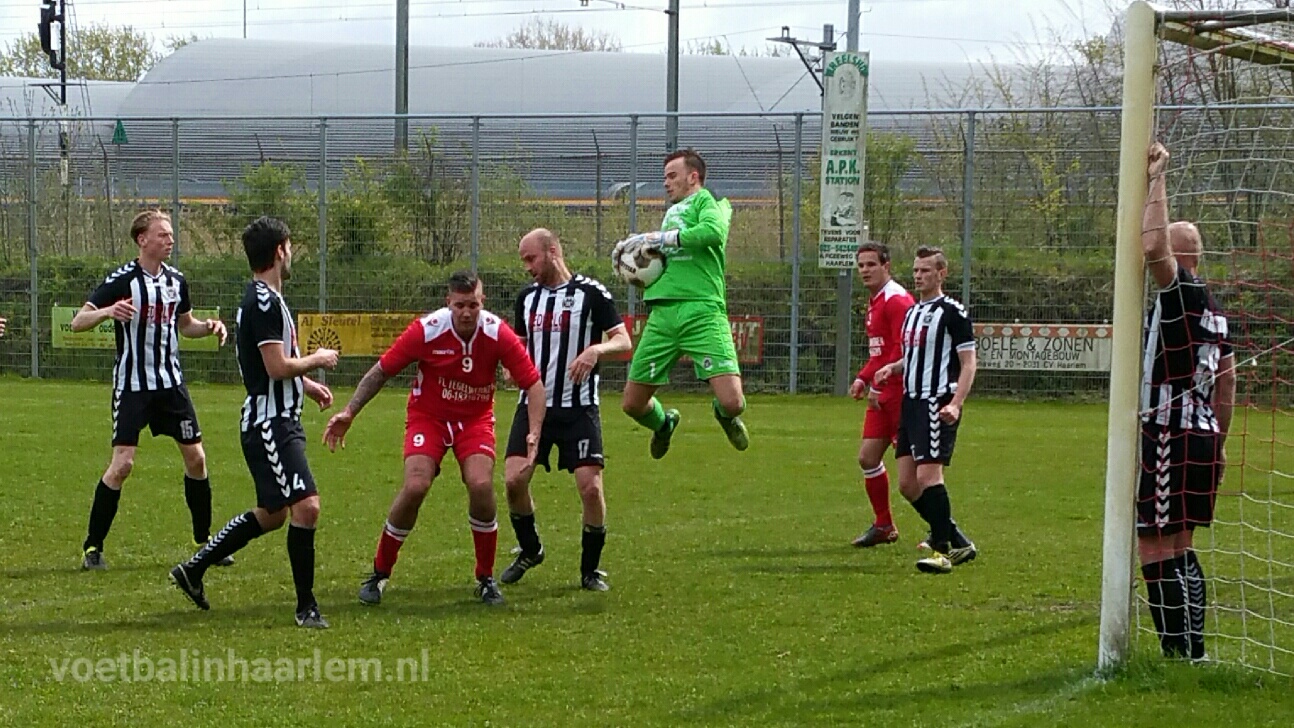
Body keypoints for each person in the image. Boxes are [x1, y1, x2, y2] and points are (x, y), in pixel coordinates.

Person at [323, 271, 545, 607]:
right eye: (460, 306)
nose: (467, 312)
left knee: (481, 485)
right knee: (415, 485)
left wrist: (534, 432)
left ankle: (485, 577)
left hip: (475, 420)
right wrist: (350, 412)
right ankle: (380, 572)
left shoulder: (497, 333)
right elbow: (381, 371)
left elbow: (533, 384)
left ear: (482, 302)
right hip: (430, 418)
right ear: (448, 303)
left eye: (473, 304)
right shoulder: (427, 330)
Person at [169, 216, 339, 628]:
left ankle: (193, 568)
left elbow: (274, 370)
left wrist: (307, 386)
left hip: (277, 417)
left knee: (274, 512)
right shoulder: (263, 300)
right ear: (280, 250)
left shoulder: (266, 297)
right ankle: (306, 608)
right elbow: (276, 366)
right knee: (308, 507)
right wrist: (317, 359)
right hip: (271, 423)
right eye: (290, 246)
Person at [72, 209, 228, 571]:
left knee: (197, 459)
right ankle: (92, 548)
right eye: (163, 235)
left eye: (171, 235)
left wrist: (210, 327)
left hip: (171, 385)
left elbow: (185, 325)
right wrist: (109, 311)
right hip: (132, 387)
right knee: (122, 465)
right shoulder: (124, 279)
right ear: (143, 240)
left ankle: (204, 542)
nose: (170, 240)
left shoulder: (176, 281)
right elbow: (79, 321)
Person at [1137, 142, 1234, 660]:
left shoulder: (1183, 292)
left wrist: (1157, 178)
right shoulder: (1217, 310)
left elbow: (1153, 247)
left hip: (1168, 432)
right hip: (1202, 435)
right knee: (1181, 545)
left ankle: (1182, 653)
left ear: (1184, 256)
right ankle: (1192, 650)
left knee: (1155, 546)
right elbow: (1228, 386)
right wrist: (1218, 446)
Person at [500, 229, 633, 592]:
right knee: (514, 481)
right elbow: (520, 349)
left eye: (531, 258)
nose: (527, 267)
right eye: (523, 260)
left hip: (579, 407)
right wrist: (512, 370)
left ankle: (590, 571)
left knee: (590, 488)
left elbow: (623, 339)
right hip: (533, 406)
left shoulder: (591, 293)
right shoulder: (526, 299)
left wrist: (595, 352)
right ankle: (531, 550)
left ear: (552, 251)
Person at [614, 148, 748, 459]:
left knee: (733, 403)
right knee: (632, 404)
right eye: (664, 177)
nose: (666, 183)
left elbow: (713, 232)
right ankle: (663, 424)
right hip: (663, 312)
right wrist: (632, 260)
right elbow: (661, 262)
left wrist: (666, 239)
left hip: (703, 309)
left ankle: (724, 415)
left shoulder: (707, 202)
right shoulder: (672, 212)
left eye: (672, 176)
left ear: (693, 177)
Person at [873, 246, 979, 574]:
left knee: (929, 476)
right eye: (916, 271)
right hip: (912, 402)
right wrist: (893, 368)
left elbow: (968, 362)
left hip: (937, 401)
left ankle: (941, 550)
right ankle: (958, 539)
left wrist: (956, 403)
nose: (919, 276)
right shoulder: (913, 313)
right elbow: (918, 357)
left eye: (926, 271)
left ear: (941, 273)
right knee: (907, 483)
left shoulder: (953, 312)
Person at [849, 241, 914, 547]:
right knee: (867, 457)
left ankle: (940, 530)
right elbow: (880, 351)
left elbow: (903, 349)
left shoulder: (897, 301)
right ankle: (884, 524)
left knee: (914, 476)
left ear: (886, 266)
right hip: (881, 393)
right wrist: (863, 378)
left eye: (871, 264)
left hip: (901, 393)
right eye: (860, 265)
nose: (864, 270)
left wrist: (879, 381)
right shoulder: (875, 302)